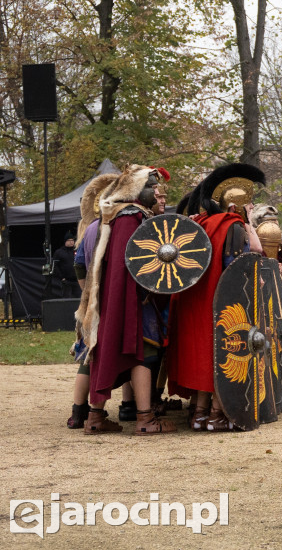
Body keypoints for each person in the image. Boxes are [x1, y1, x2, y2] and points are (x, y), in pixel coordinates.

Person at [77, 164, 176, 435]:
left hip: (112, 299)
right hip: (132, 299)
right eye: (152, 187)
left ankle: (95, 417)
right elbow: (134, 266)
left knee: (103, 349)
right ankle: (145, 419)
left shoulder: (110, 217)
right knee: (143, 353)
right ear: (135, 190)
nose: (156, 193)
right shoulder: (130, 217)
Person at [167, 163, 264, 432]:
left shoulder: (199, 222)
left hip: (192, 301)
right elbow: (240, 264)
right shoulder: (232, 226)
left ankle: (199, 414)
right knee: (224, 355)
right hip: (220, 301)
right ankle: (218, 414)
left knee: (202, 357)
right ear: (236, 207)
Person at [66, 171, 119, 429]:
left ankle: (78, 413)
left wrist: (87, 293)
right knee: (113, 353)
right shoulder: (115, 226)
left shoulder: (89, 229)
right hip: (109, 301)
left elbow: (79, 266)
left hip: (91, 302)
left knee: (89, 355)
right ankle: (131, 409)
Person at [51, 231, 81, 298]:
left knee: (79, 299)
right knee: (66, 300)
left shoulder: (77, 250)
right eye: (69, 240)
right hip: (66, 281)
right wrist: (62, 278)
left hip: (77, 280)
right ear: (65, 242)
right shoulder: (59, 252)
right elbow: (55, 266)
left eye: (72, 240)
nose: (71, 242)